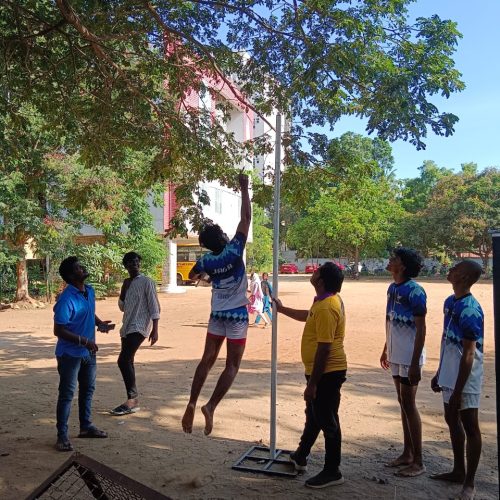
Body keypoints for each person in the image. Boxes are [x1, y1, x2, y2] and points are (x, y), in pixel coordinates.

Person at [182, 173, 251, 436]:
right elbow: (246, 219)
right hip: (237, 316)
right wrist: (244, 189)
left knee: (207, 360)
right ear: (222, 236)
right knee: (232, 365)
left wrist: (207, 277)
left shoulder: (206, 261)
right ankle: (210, 406)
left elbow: (191, 276)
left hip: (217, 315)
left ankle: (191, 402)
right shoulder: (234, 250)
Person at [274, 262, 347, 489]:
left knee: (327, 420)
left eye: (316, 273)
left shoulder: (327, 307)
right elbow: (309, 316)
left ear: (321, 281)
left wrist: (313, 384)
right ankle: (300, 455)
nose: (312, 274)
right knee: (315, 415)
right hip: (321, 372)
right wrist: (282, 309)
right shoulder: (324, 302)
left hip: (327, 372)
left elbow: (324, 348)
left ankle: (332, 470)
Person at [430, 260, 484, 500]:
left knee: (470, 425)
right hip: (450, 373)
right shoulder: (450, 303)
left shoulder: (470, 309)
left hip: (466, 376)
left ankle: (469, 483)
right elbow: (446, 342)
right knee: (451, 418)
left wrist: (459, 390)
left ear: (463, 277)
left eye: (454, 268)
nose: (449, 270)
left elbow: (469, 353)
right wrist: (440, 372)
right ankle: (457, 470)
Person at [53, 256, 115, 452]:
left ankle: (86, 427)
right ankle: (62, 436)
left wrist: (99, 324)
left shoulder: (89, 291)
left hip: (88, 352)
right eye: (79, 268)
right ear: (72, 275)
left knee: (88, 390)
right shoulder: (66, 299)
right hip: (70, 354)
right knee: (67, 394)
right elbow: (59, 330)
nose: (83, 268)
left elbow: (89, 311)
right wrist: (84, 341)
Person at [380, 247, 427, 477]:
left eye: (394, 259)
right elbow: (389, 320)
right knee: (402, 401)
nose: (390, 261)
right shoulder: (392, 288)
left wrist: (416, 361)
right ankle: (408, 452)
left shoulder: (415, 292)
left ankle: (418, 460)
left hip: (409, 356)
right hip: (396, 354)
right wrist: (386, 348)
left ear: (403, 266)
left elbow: (421, 329)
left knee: (409, 403)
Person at [109, 252, 161, 416]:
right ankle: (133, 400)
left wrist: (155, 329)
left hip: (140, 326)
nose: (135, 264)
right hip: (127, 326)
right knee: (127, 360)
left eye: (137, 261)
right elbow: (123, 306)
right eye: (131, 262)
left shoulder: (147, 282)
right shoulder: (126, 283)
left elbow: (154, 306)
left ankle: (132, 399)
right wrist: (124, 289)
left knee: (123, 360)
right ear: (125, 265)